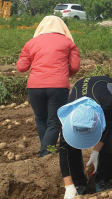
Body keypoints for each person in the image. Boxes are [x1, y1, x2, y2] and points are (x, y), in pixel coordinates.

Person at [17, 15, 80, 157]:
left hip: (34, 87)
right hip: (58, 87)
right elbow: (75, 66)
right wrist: (64, 74)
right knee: (54, 122)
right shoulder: (68, 43)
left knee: (40, 119)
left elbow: (21, 67)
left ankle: (46, 151)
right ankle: (46, 153)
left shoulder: (31, 43)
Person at [58, 76, 112, 199]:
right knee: (70, 146)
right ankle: (78, 183)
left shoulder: (109, 104)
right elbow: (63, 150)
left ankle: (102, 179)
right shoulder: (68, 118)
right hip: (81, 88)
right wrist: (68, 185)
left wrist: (96, 151)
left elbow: (107, 130)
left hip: (108, 90)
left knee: (107, 140)